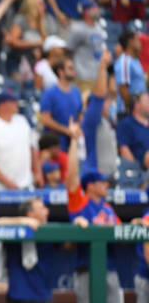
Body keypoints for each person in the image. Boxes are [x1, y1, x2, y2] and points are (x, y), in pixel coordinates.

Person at [65, 120, 123, 303]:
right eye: (102, 182)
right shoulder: (80, 202)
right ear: (90, 185)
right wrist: (74, 140)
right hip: (87, 269)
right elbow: (72, 176)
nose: (106, 185)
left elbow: (121, 234)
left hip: (111, 268)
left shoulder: (108, 208)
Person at [0, 197, 70, 303]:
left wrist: (79, 223)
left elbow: (70, 245)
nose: (47, 211)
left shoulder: (50, 231)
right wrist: (23, 221)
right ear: (30, 213)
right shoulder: (15, 228)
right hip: (18, 296)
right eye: (42, 208)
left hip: (43, 296)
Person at [0, 92, 38, 190]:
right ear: (2, 105)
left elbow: (31, 148)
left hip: (26, 184)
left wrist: (37, 172)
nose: (16, 104)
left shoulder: (22, 121)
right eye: (12, 101)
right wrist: (8, 183)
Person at [40, 56, 82, 150]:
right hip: (55, 147)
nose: (73, 71)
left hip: (73, 144)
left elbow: (79, 115)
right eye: (70, 68)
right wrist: (66, 131)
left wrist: (78, 128)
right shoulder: (49, 93)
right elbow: (45, 119)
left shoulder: (76, 92)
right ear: (60, 72)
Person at [66, 0, 105, 88]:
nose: (97, 10)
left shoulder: (98, 27)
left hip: (97, 74)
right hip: (83, 75)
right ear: (86, 11)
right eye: (93, 8)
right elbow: (68, 50)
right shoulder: (77, 29)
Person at [115, 30, 146, 113]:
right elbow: (123, 89)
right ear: (130, 42)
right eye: (137, 40)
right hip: (128, 112)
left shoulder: (135, 60)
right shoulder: (125, 61)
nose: (140, 43)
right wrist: (132, 110)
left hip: (139, 111)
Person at [117, 92, 149, 169]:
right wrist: (137, 172)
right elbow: (124, 150)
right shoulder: (126, 124)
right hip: (141, 168)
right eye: (147, 101)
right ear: (137, 105)